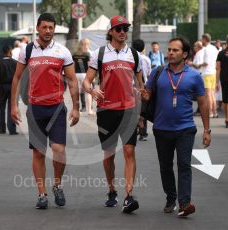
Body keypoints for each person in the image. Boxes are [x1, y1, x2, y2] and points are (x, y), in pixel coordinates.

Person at [10, 13, 80, 209]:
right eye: (45, 27)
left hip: (57, 108)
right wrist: (13, 105)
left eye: (51, 28)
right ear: (38, 28)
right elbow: (17, 77)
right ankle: (42, 194)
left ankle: (57, 184)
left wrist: (76, 107)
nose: (48, 31)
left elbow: (73, 80)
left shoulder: (62, 51)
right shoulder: (27, 50)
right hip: (35, 109)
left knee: (59, 150)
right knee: (39, 153)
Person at [140, 37, 211, 217]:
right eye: (169, 50)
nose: (170, 53)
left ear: (185, 54)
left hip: (185, 128)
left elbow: (203, 103)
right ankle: (171, 197)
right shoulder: (159, 72)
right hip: (162, 128)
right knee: (165, 166)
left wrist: (207, 130)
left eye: (175, 50)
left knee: (184, 165)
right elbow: (148, 95)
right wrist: (144, 95)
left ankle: (184, 203)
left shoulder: (194, 76)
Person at [83, 15, 144, 214]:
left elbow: (141, 86)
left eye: (125, 28)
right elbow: (87, 81)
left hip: (128, 110)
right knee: (108, 154)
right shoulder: (98, 54)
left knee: (129, 151)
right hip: (107, 110)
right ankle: (111, 191)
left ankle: (128, 196)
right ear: (110, 32)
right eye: (118, 29)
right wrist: (92, 90)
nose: (122, 32)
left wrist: (141, 113)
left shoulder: (134, 55)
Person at [0, 45, 18, 135]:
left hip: (2, 87)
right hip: (13, 87)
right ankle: (12, 129)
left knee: (1, 108)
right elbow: (18, 77)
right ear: (10, 51)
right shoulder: (15, 63)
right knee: (12, 107)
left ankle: (2, 128)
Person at [132, 39, 151, 141]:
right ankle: (143, 133)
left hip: (133, 87)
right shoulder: (147, 59)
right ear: (143, 48)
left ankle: (133, 132)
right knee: (143, 110)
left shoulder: (130, 58)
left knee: (133, 109)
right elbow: (148, 73)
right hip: (144, 86)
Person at [198, 33, 219, 118]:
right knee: (212, 94)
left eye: (202, 39)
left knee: (208, 94)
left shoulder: (206, 49)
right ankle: (215, 112)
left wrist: (198, 65)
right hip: (213, 72)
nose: (201, 41)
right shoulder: (214, 48)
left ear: (205, 39)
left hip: (207, 73)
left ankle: (209, 112)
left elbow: (206, 63)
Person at [73, 38, 91, 112]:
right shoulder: (87, 54)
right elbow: (89, 65)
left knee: (79, 91)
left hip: (76, 74)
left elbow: (73, 65)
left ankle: (80, 108)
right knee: (89, 92)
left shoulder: (75, 54)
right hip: (85, 74)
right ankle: (89, 110)